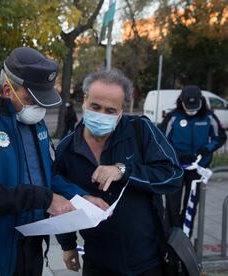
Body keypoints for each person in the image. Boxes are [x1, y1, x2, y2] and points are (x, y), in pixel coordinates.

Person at [0, 47, 104, 276]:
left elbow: (47, 175)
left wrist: (80, 197)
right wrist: (42, 199)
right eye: (31, 99)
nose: (39, 108)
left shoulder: (36, 123)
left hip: (33, 245)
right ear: (7, 91)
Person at [54, 69, 183, 275]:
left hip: (147, 260)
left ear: (122, 109)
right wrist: (67, 244)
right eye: (95, 107)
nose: (102, 115)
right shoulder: (67, 148)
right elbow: (58, 196)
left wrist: (123, 170)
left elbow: (173, 176)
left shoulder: (141, 131)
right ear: (85, 100)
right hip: (97, 261)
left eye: (110, 110)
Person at [160, 85, 227, 237]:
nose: (191, 109)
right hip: (176, 168)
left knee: (191, 205)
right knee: (172, 206)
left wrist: (207, 149)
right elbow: (162, 140)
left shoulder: (208, 117)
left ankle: (185, 236)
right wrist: (176, 154)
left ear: (201, 101)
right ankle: (171, 238)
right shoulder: (173, 117)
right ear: (181, 101)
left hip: (198, 168)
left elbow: (220, 137)